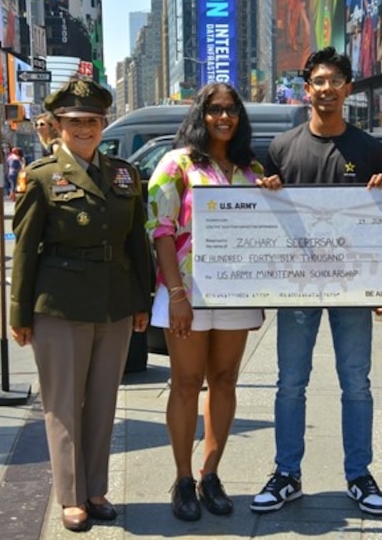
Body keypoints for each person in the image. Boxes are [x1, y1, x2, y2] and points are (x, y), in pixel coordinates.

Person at [250, 47, 382, 516]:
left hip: (353, 283)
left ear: (348, 88)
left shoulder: (371, 147)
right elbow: (266, 221)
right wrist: (266, 192)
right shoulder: (281, 148)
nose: (327, 89)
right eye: (319, 81)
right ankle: (286, 473)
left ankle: (359, 473)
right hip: (297, 285)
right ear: (306, 90)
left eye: (336, 81)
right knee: (290, 382)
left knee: (357, 383)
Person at [9, 78, 151, 532]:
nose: (84, 129)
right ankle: (71, 496)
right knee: (64, 404)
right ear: (57, 126)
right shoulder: (43, 176)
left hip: (113, 304)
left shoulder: (125, 175)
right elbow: (26, 248)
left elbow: (137, 243)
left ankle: (95, 489)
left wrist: (141, 300)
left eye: (91, 120)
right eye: (74, 122)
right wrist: (19, 312)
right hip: (59, 306)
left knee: (104, 402)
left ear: (103, 123)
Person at [146, 82, 273, 521]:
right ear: (200, 114)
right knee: (185, 383)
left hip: (236, 292)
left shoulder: (251, 166)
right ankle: (182, 479)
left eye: (231, 110)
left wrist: (274, 194)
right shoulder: (176, 163)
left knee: (224, 380)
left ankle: (210, 474)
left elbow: (270, 227)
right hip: (187, 294)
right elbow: (160, 230)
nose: (224, 117)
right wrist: (177, 295)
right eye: (215, 109)